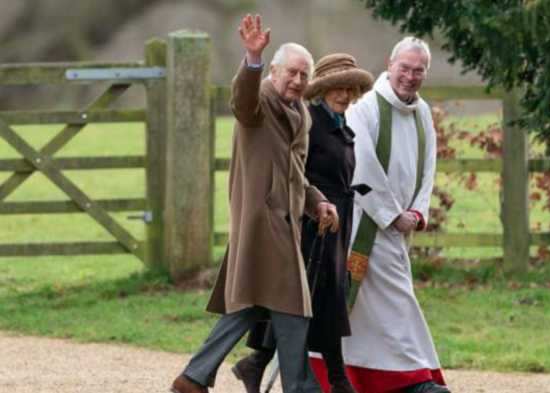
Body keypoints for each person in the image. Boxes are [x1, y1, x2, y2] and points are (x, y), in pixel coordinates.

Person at [170, 14, 339, 393]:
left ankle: (194, 377)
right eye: (291, 73)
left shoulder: (300, 115)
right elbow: (241, 102)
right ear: (274, 72)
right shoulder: (260, 101)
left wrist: (319, 203)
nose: (297, 80)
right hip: (262, 222)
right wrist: (252, 60)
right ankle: (300, 387)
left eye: (303, 75)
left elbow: (295, 172)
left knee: (253, 304)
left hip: (285, 223)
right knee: (294, 305)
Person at [231, 54, 374, 393]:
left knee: (321, 295)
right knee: (310, 296)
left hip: (337, 217)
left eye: (350, 88)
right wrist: (312, 206)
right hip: (312, 222)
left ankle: (256, 362)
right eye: (337, 87)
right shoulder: (311, 121)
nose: (344, 94)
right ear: (322, 90)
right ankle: (336, 379)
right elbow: (295, 172)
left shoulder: (341, 123)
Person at [339, 37, 451, 393]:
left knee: (369, 311)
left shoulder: (422, 113)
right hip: (366, 226)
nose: (410, 76)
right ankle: (417, 381)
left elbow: (428, 166)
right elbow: (361, 167)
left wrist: (417, 211)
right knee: (395, 301)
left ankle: (351, 380)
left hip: (401, 228)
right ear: (390, 65)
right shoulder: (366, 108)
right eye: (404, 68)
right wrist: (391, 214)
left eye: (418, 70)